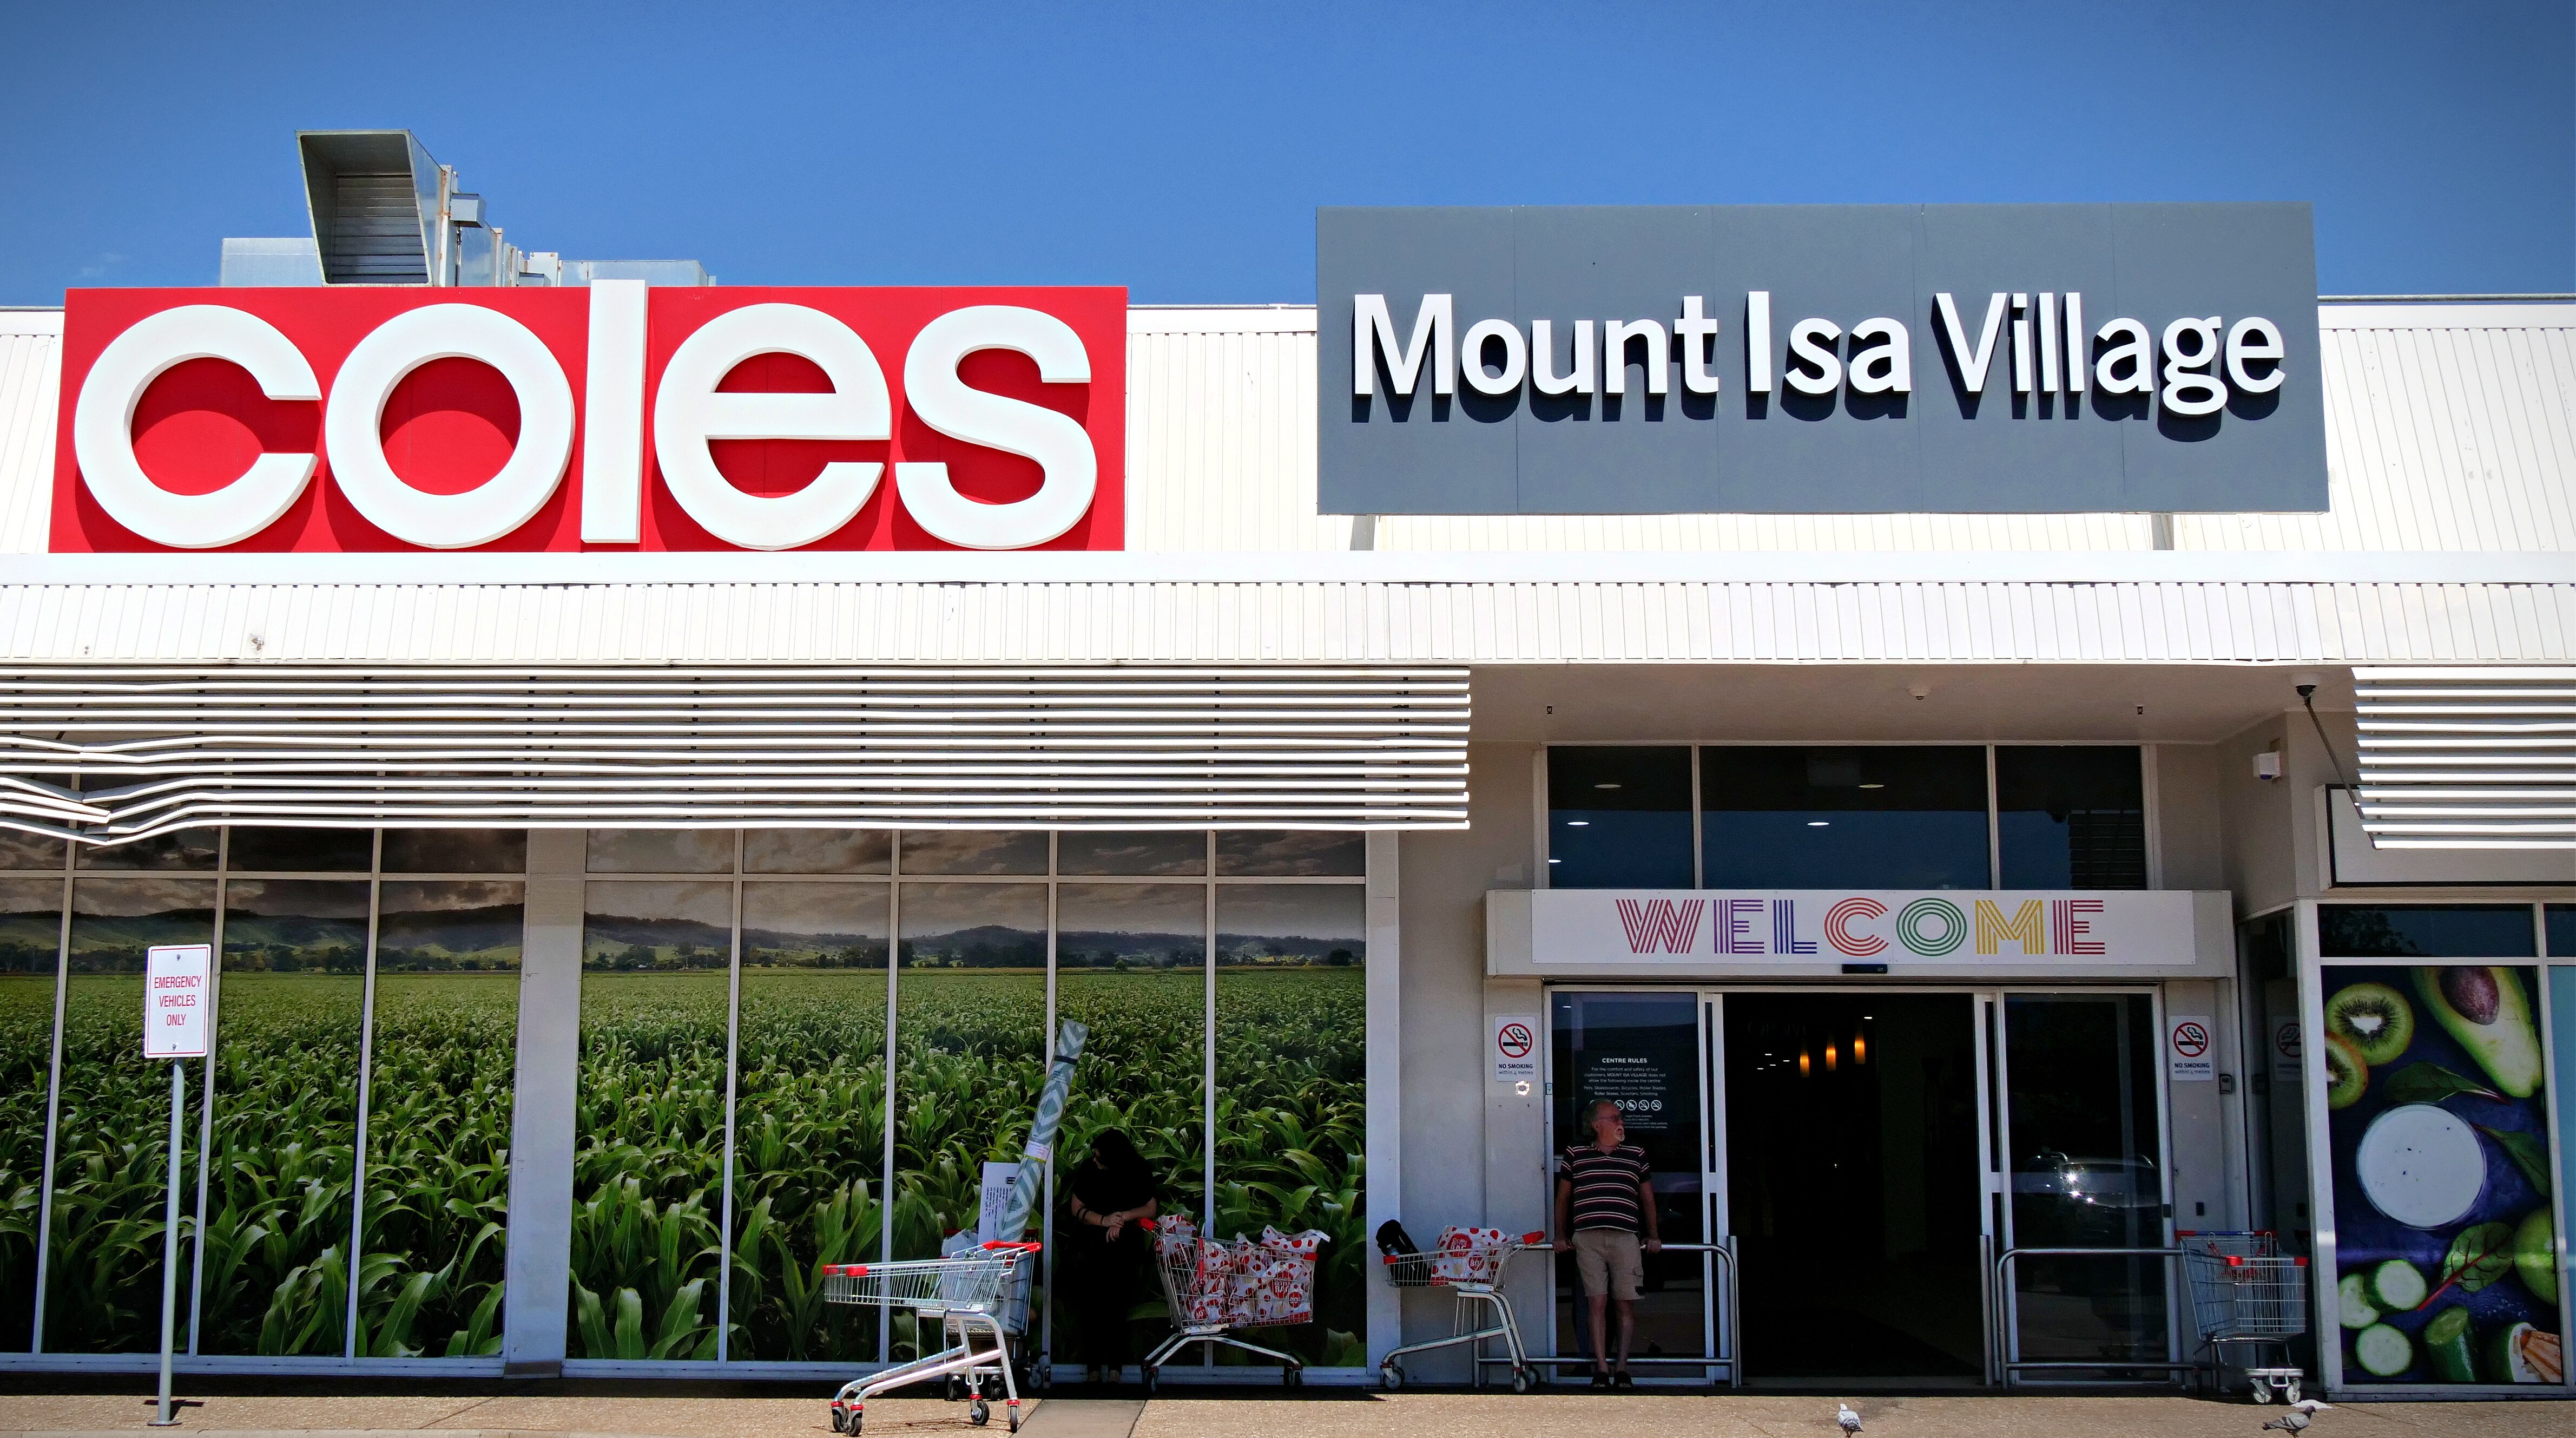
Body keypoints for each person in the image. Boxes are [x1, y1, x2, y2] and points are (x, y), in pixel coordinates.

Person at [1552, 1099, 1660, 1389]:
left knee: (1625, 1303)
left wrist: (1653, 1234)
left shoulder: (1636, 1154)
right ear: (1595, 1125)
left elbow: (1647, 1197)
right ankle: (1601, 1366)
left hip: (1626, 1236)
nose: (1620, 1122)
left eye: (1620, 1117)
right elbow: (1564, 1198)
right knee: (1596, 1302)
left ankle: (1622, 1367)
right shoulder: (1576, 1153)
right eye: (1613, 1118)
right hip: (1588, 1237)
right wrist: (1560, 1235)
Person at [1060, 1128, 1158, 1386]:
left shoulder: (1137, 1169)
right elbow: (1077, 1207)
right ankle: (1093, 1368)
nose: (1095, 1160)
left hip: (1123, 1249)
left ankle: (1115, 1368)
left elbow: (1150, 1207)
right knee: (1091, 1306)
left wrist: (1121, 1218)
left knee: (1118, 1307)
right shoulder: (1088, 1171)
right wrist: (1104, 1221)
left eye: (1100, 1157)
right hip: (1090, 1247)